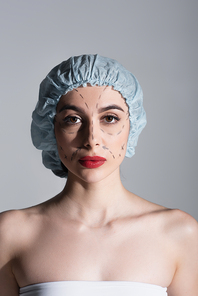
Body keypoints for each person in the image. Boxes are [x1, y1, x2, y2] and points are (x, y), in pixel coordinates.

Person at [0, 54, 197, 296]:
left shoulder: (179, 232)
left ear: (132, 126)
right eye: (73, 119)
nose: (92, 139)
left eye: (110, 118)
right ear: (51, 128)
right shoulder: (10, 233)